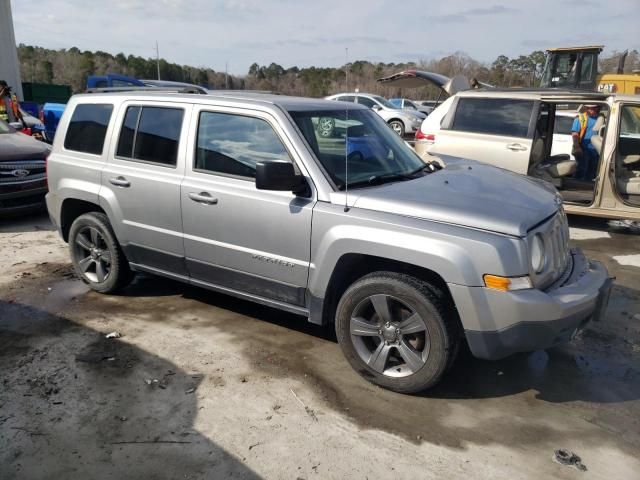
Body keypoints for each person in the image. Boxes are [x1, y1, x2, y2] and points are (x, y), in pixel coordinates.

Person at [571, 104, 601, 181]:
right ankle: (576, 186)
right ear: (586, 108)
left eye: (593, 108)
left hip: (597, 149)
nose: (591, 109)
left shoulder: (601, 118)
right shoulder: (580, 118)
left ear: (598, 108)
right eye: (589, 108)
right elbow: (575, 134)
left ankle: (587, 187)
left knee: (593, 171)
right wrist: (577, 147)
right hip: (583, 149)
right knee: (582, 169)